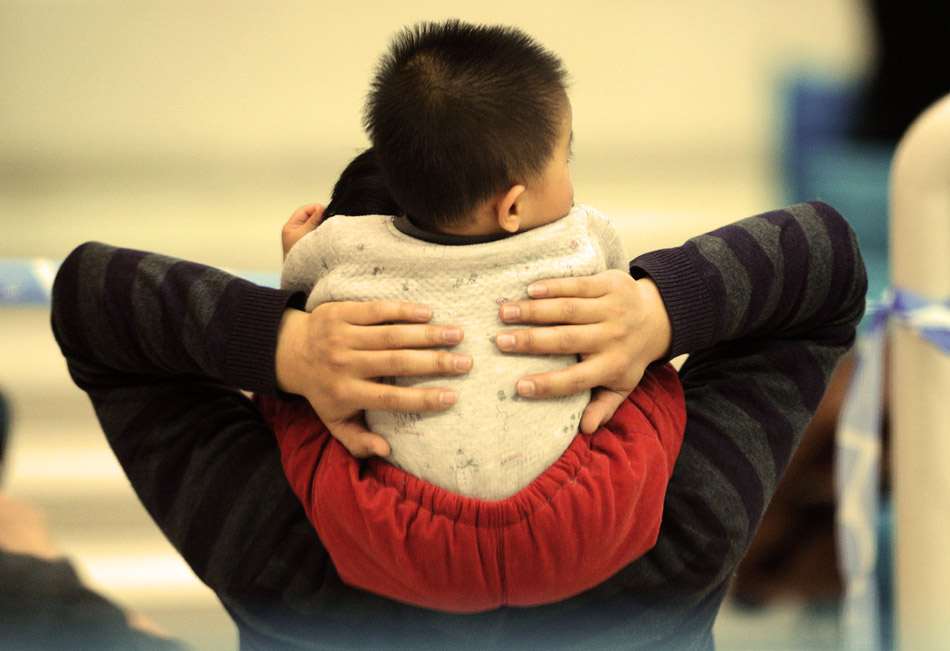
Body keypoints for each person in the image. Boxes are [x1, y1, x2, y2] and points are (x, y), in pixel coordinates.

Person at [50, 195, 865, 649]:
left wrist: (286, 340)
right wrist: (660, 308)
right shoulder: (669, 532)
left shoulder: (281, 557)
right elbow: (822, 260)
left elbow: (95, 302)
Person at [266, 22, 687, 611]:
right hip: (588, 517)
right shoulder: (581, 236)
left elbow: (296, 302)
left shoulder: (341, 245)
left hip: (397, 536)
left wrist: (297, 270)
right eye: (566, 157)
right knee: (646, 366)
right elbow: (625, 300)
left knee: (297, 380)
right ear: (513, 206)